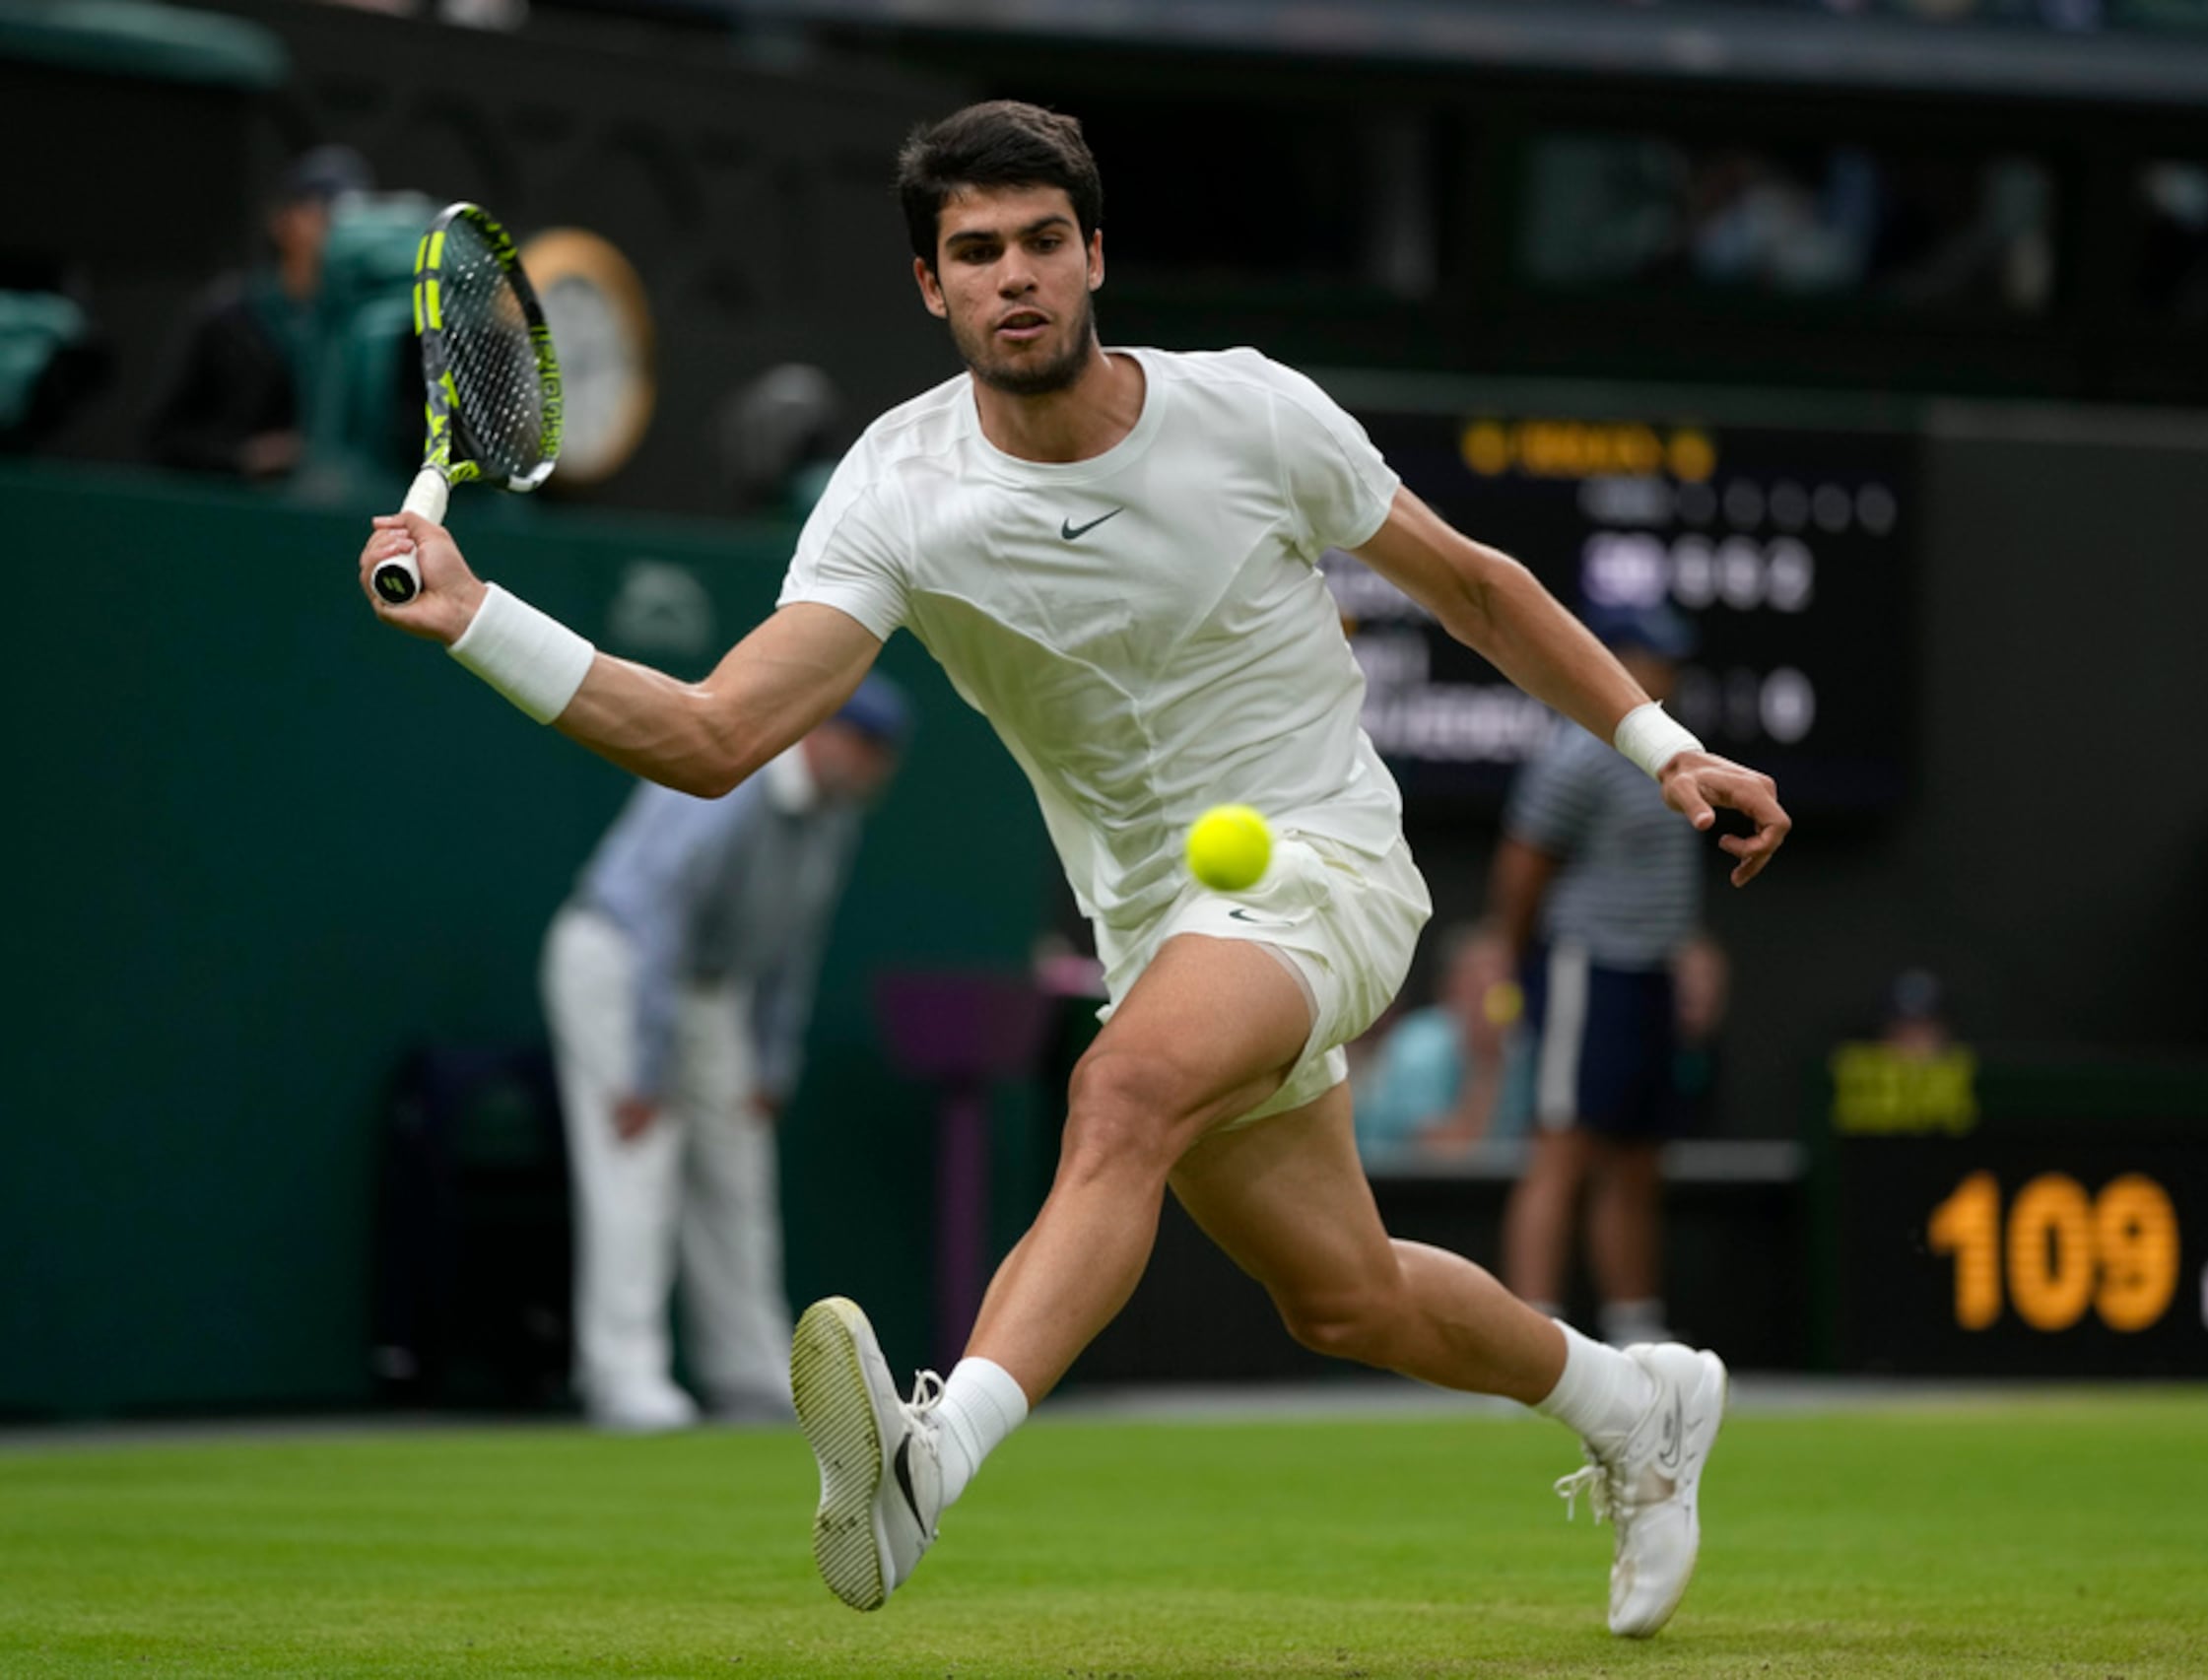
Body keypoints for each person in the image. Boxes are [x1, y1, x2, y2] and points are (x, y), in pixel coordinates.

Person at [355, 100, 1788, 1639]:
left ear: (1097, 256)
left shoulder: (1255, 415)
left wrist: (1663, 746)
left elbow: (1481, 593)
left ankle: (929, 1460)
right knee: (1345, 1295)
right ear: (932, 287)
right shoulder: (895, 489)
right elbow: (715, 735)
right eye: (977, 252)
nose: (1016, 276)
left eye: (1045, 242)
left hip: (1328, 864)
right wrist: (479, 618)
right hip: (1155, 921)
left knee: (1116, 1097)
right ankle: (1634, 1404)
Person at [543, 678, 911, 1432]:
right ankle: (624, 1376)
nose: (878, 767)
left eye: (885, 754)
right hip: (622, 964)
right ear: (823, 733)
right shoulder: (733, 782)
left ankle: (748, 1369)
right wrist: (645, 1068)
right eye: (868, 746)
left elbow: (792, 946)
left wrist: (772, 1061)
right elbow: (658, 916)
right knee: (637, 1161)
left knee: (738, 1173)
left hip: (715, 992)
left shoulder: (835, 818)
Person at [1493, 604, 1712, 1352]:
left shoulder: (1671, 752)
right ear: (1615, 659)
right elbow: (1524, 865)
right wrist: (1515, 962)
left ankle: (1635, 1328)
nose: (1667, 675)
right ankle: (1534, 1327)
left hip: (1648, 972)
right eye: (1653, 658)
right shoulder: (1579, 753)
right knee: (1564, 1147)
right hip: (1585, 966)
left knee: (1637, 1154)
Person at [146, 145, 371, 479]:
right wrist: (243, 457)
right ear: (281, 221)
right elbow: (162, 436)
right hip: (227, 507)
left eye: (350, 219)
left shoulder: (368, 328)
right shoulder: (227, 317)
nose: (335, 229)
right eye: (321, 213)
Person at [1350, 923, 1534, 1161]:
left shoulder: (1526, 1048)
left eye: (1503, 978)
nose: (1492, 991)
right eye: (1477, 982)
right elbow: (1443, 1154)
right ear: (1451, 987)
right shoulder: (1417, 1043)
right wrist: (1485, 1065)